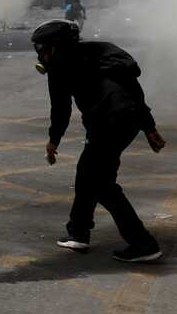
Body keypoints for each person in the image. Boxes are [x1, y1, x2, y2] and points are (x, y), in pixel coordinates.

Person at [33, 19, 166, 263]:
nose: (40, 54)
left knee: (101, 183)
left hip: (108, 123)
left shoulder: (59, 67)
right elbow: (133, 90)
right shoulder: (102, 52)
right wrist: (149, 127)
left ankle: (143, 243)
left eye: (41, 47)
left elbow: (61, 109)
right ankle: (78, 232)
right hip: (128, 119)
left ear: (54, 45)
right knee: (87, 172)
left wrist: (53, 141)